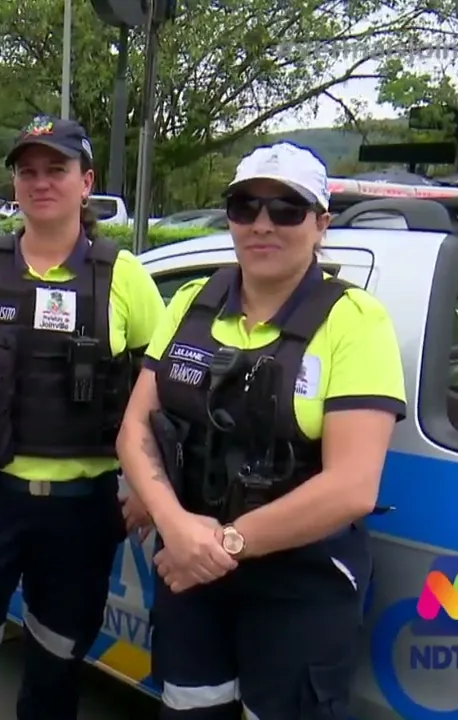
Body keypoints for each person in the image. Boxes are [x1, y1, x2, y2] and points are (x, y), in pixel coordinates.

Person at [116, 141, 406, 720]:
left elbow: (353, 487)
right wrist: (176, 526)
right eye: (245, 207)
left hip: (299, 582)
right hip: (190, 570)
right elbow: (134, 428)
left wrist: (219, 544)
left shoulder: (355, 321)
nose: (262, 225)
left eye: (287, 209)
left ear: (320, 224)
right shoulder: (194, 303)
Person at [0, 115, 165, 720]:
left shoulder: (123, 276)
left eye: (57, 169)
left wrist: (151, 497)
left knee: (55, 672)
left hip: (80, 513)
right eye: (27, 171)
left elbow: (165, 398)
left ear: (86, 183)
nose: (40, 182)